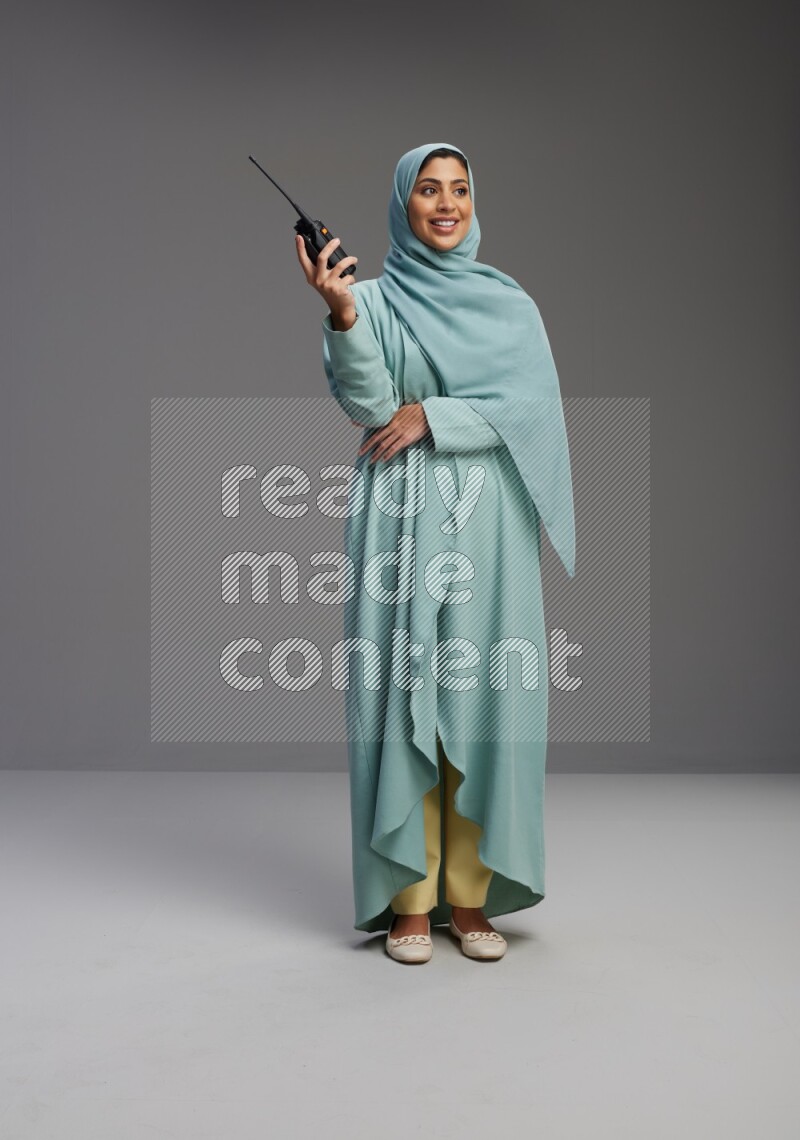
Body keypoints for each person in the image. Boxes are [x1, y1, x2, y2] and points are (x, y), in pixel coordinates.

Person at [296, 142, 575, 963]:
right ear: (402, 204)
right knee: (400, 698)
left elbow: (530, 413)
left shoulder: (510, 307)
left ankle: (471, 895)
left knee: (486, 703)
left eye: (458, 189)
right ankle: (410, 901)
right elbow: (368, 404)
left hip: (490, 519)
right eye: (428, 189)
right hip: (399, 515)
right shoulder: (374, 301)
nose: (445, 203)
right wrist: (343, 313)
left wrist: (433, 419)